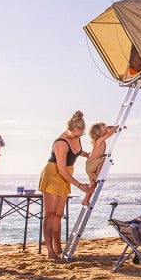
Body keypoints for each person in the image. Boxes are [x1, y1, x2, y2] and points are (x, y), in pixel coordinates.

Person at [38, 111, 91, 261]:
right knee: (50, 213)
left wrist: (88, 155)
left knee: (59, 215)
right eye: (75, 135)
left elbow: (76, 152)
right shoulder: (61, 143)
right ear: (70, 129)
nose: (77, 137)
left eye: (80, 135)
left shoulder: (77, 137)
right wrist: (80, 185)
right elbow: (61, 169)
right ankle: (50, 251)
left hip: (66, 174)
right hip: (55, 173)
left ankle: (58, 248)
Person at [82, 122, 118, 205]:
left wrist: (111, 127)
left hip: (90, 165)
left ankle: (85, 200)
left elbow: (108, 129)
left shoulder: (100, 139)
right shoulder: (99, 140)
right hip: (92, 164)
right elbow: (110, 133)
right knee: (104, 160)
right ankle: (97, 175)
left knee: (93, 184)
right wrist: (118, 127)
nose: (106, 128)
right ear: (99, 132)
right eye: (104, 128)